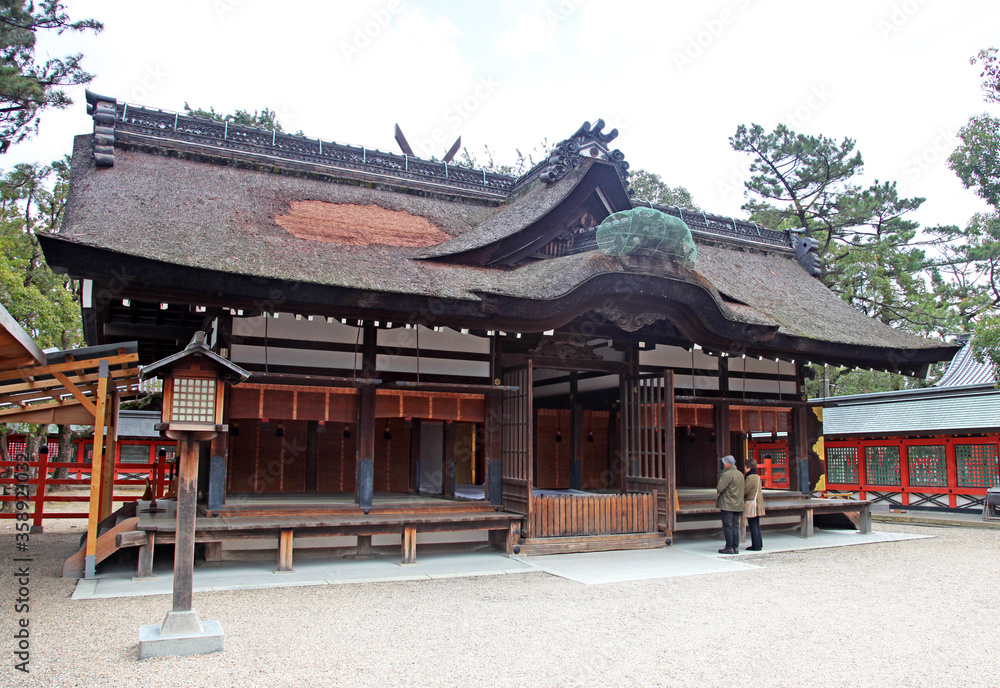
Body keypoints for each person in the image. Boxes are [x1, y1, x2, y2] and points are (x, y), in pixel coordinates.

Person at [715, 454, 744, 554]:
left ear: (727, 464)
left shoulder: (727, 474)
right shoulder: (740, 474)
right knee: (735, 526)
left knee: (728, 526)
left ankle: (729, 547)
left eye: (724, 463)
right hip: (738, 504)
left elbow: (720, 488)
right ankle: (735, 547)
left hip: (728, 503)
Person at [744, 457, 766, 551]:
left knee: (753, 525)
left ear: (748, 467)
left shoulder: (750, 477)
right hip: (758, 502)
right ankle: (759, 544)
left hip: (752, 503)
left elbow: (745, 490)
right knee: (756, 524)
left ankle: (755, 545)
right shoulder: (756, 476)